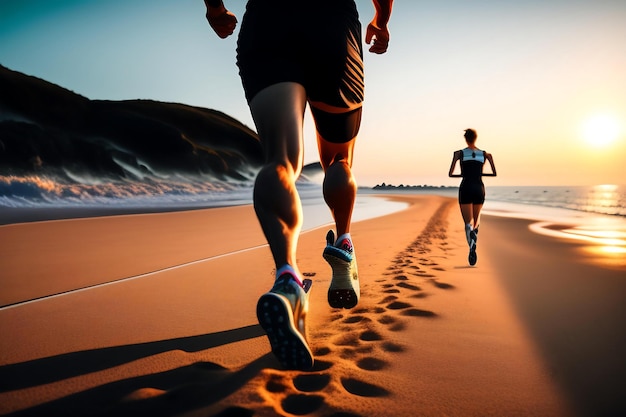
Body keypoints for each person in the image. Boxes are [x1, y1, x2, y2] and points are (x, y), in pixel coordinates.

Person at [204, 0, 394, 370]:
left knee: (281, 160)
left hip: (268, 23)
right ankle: (343, 244)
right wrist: (381, 22)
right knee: (339, 159)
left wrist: (214, 8)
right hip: (332, 24)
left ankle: (288, 279)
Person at [448, 128, 497, 266]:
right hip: (479, 187)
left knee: (467, 223)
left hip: (466, 187)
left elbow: (451, 174)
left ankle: (471, 242)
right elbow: (494, 173)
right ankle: (474, 233)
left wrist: (464, 175)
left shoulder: (459, 153)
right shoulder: (486, 154)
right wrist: (478, 174)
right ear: (476, 138)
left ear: (466, 138)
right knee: (477, 219)